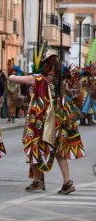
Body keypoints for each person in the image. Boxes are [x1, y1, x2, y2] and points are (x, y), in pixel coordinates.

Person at [8, 53, 85, 194]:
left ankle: (38, 180)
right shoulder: (57, 80)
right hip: (59, 119)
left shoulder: (38, 78)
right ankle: (66, 182)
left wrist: (15, 73)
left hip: (42, 121)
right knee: (58, 151)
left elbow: (12, 78)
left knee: (34, 146)